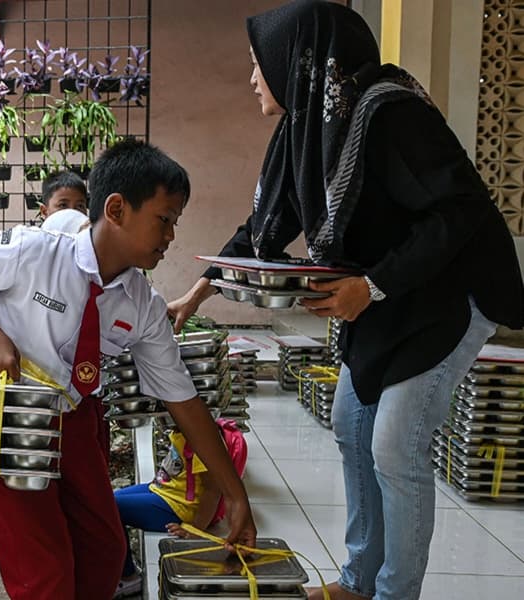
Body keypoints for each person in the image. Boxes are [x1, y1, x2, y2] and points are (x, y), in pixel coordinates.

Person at [167, 2, 524, 599]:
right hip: (392, 298)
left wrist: (372, 285)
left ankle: (393, 593)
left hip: (450, 294)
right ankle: (359, 582)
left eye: (259, 65)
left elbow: (459, 211)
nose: (252, 78)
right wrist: (200, 290)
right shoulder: (307, 130)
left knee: (395, 441)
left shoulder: (390, 114)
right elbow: (264, 225)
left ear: (295, 62)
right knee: (350, 421)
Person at [0, 139, 257, 600]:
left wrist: (235, 494)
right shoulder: (36, 250)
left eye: (174, 224)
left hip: (74, 420)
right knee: (45, 572)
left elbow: (183, 401)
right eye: (164, 221)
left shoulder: (142, 305)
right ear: (118, 208)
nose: (170, 238)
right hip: (6, 417)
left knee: (104, 549)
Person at [113, 419, 247, 599]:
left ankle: (128, 576)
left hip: (177, 507)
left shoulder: (200, 435)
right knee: (108, 500)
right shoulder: (184, 426)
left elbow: (212, 491)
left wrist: (194, 529)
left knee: (112, 508)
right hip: (163, 490)